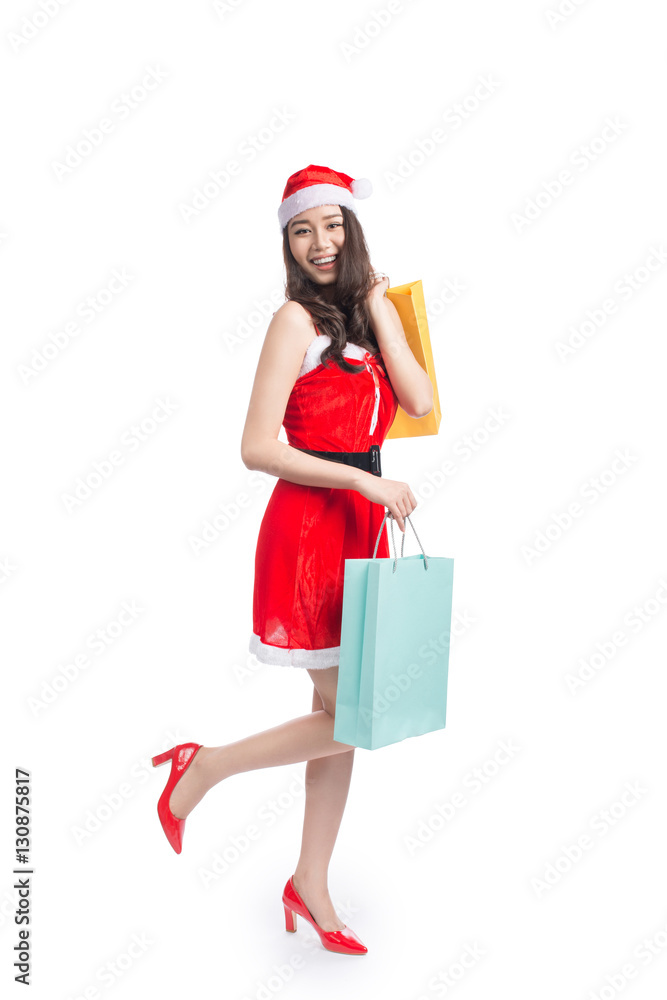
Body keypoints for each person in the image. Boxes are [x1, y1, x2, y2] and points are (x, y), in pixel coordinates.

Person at [152, 163, 434, 956]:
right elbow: (254, 447)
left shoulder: (362, 317)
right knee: (352, 718)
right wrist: (356, 478)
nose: (320, 242)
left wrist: (378, 304)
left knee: (339, 721)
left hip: (363, 531)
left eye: (333, 225)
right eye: (302, 229)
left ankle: (309, 883)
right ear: (287, 240)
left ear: (353, 229)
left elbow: (415, 400)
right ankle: (202, 766)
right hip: (313, 534)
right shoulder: (293, 324)